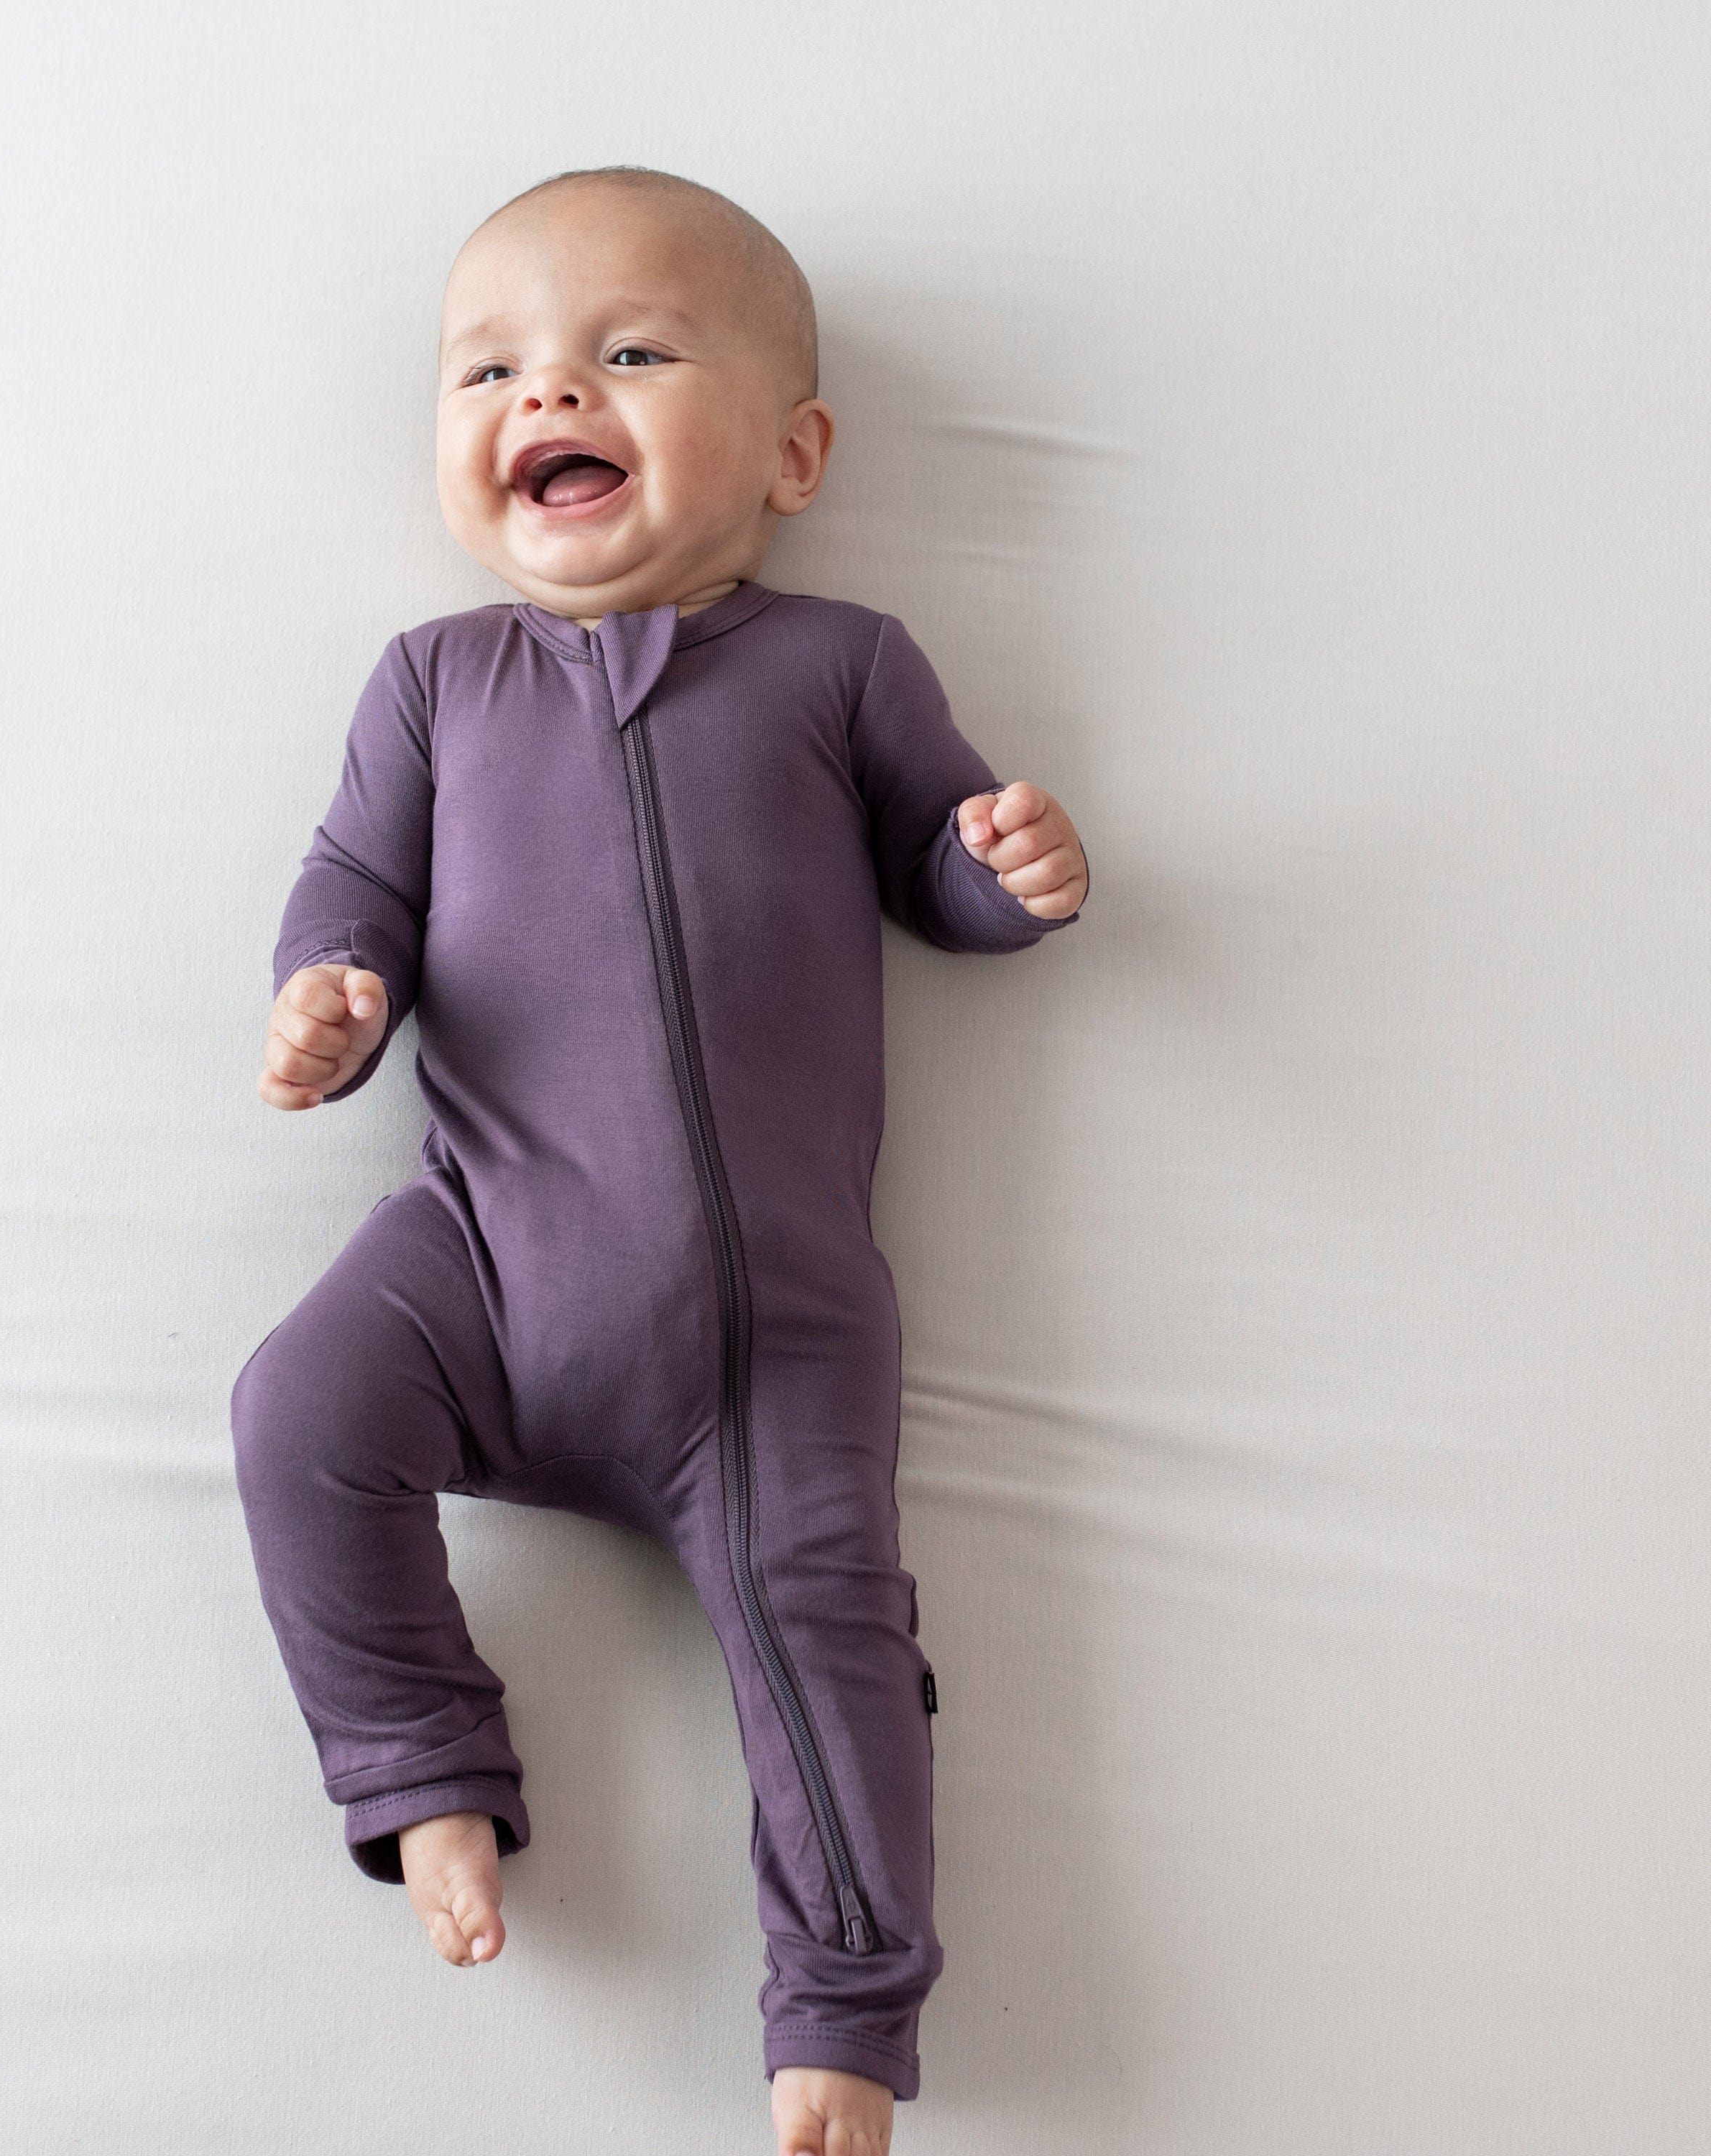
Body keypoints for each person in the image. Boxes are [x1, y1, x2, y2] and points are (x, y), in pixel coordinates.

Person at [231, 165, 1089, 2156]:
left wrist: (1000, 875)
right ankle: (416, 1757)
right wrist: (334, 989)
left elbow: (933, 864)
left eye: (628, 354)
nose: (550, 396)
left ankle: (846, 2024)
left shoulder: (840, 665)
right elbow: (352, 876)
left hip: (769, 1336)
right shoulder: (436, 684)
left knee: (832, 1642)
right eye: (492, 370)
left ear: (792, 452)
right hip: (486, 1258)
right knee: (295, 1414)